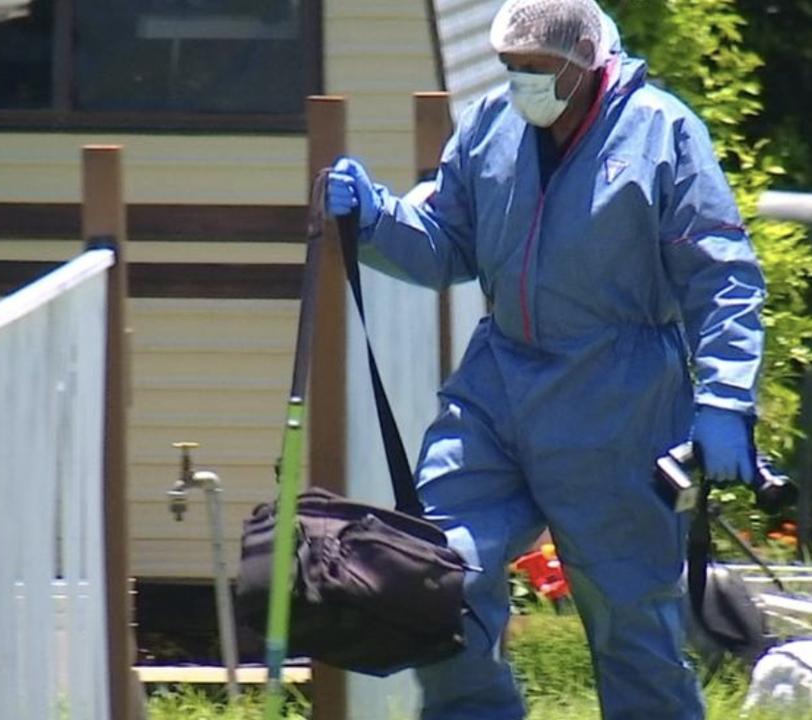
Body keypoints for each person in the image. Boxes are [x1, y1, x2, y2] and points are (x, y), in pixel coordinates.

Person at [325, 0, 765, 717]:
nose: (519, 81)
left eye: (536, 68)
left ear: (585, 62)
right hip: (497, 386)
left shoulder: (660, 132)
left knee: (632, 625)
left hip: (620, 399)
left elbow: (721, 273)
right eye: (510, 67)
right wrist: (377, 219)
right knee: (438, 577)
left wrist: (724, 398)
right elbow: (447, 244)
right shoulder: (490, 128)